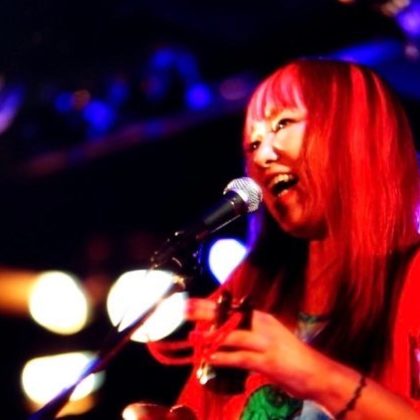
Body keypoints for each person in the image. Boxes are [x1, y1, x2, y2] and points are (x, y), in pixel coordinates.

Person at [147, 58, 420, 419]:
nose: (262, 155)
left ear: (353, 131)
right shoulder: (247, 290)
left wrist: (316, 375)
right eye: (253, 144)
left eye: (283, 124)